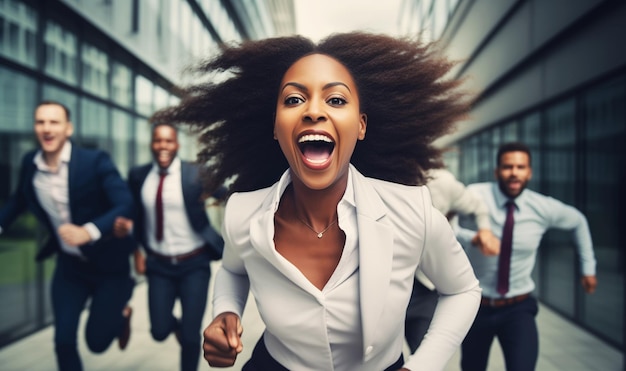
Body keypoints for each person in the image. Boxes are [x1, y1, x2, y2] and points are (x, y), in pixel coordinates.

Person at [151, 32, 482, 371]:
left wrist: (423, 365)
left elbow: (462, 290)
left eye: (336, 100)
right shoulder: (243, 213)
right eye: (294, 100)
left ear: (361, 125)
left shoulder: (412, 211)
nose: (313, 111)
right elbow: (233, 270)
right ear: (276, 128)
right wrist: (225, 312)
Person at [0, 101, 136, 371]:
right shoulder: (31, 163)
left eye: (54, 122)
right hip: (70, 268)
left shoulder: (95, 161)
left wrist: (88, 231)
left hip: (110, 267)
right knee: (63, 341)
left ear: (68, 128)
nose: (47, 128)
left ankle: (121, 315)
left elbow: (125, 203)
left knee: (96, 342)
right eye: (40, 122)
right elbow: (18, 201)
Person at [456, 142, 598, 371]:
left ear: (529, 172)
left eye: (520, 167)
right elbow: (444, 223)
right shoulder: (475, 195)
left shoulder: (541, 207)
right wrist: (472, 238)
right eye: (507, 167)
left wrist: (588, 268)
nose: (514, 172)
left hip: (518, 307)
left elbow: (578, 221)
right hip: (476, 306)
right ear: (496, 171)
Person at [113, 122, 225, 371]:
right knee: (160, 331)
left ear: (177, 144)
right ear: (152, 144)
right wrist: (136, 252)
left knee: (191, 336)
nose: (162, 146)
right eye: (158, 140)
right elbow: (132, 216)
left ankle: (187, 339)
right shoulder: (138, 176)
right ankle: (175, 330)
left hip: (195, 263)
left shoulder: (196, 173)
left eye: (168, 141)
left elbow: (226, 194)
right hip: (159, 265)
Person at [404, 168, 500, 352]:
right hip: (383, 286)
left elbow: (478, 207)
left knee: (425, 355)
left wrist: (485, 230)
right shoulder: (370, 179)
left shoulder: (442, 181)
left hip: (424, 286)